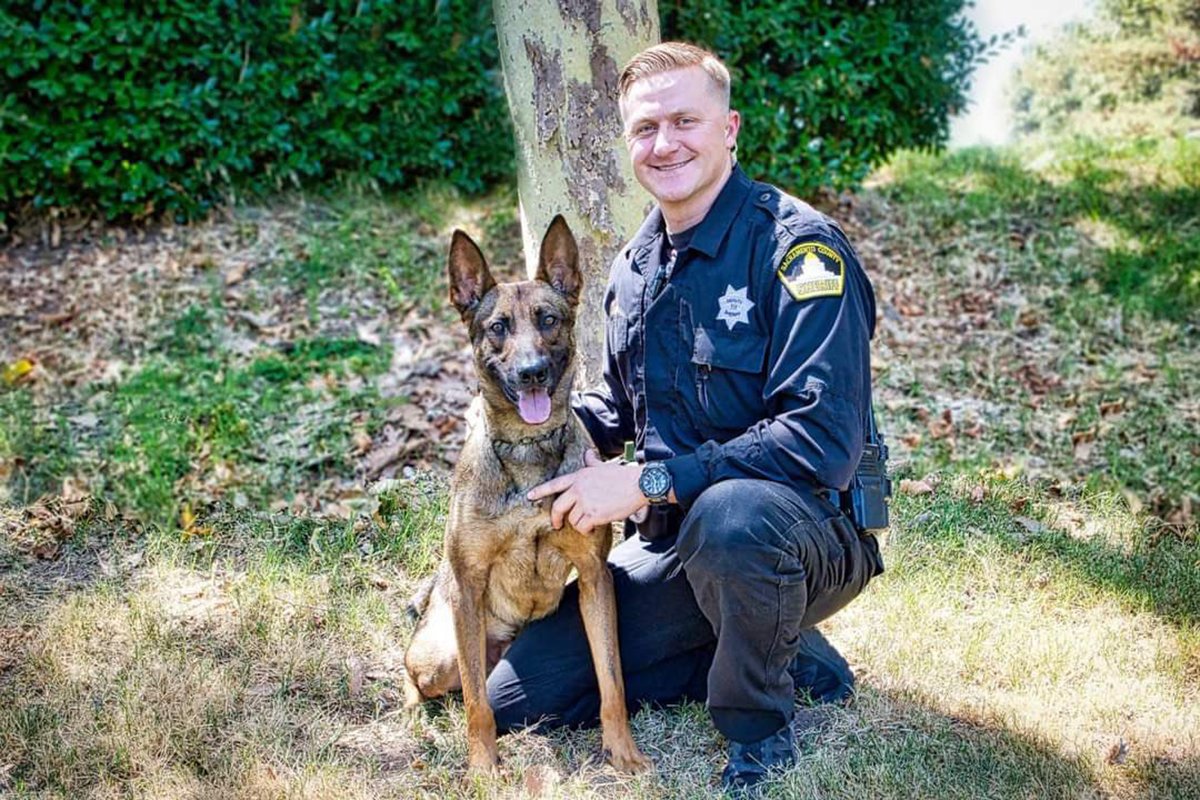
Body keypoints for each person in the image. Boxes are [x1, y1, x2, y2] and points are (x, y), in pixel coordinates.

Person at [489, 41, 885, 793]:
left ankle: (759, 727)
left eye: (685, 121)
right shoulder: (637, 266)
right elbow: (613, 406)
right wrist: (530, 446)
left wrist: (648, 480)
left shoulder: (798, 251)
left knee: (731, 520)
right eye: (644, 129)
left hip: (803, 530)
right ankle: (776, 641)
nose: (664, 143)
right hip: (677, 537)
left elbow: (822, 442)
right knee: (519, 696)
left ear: (729, 127)